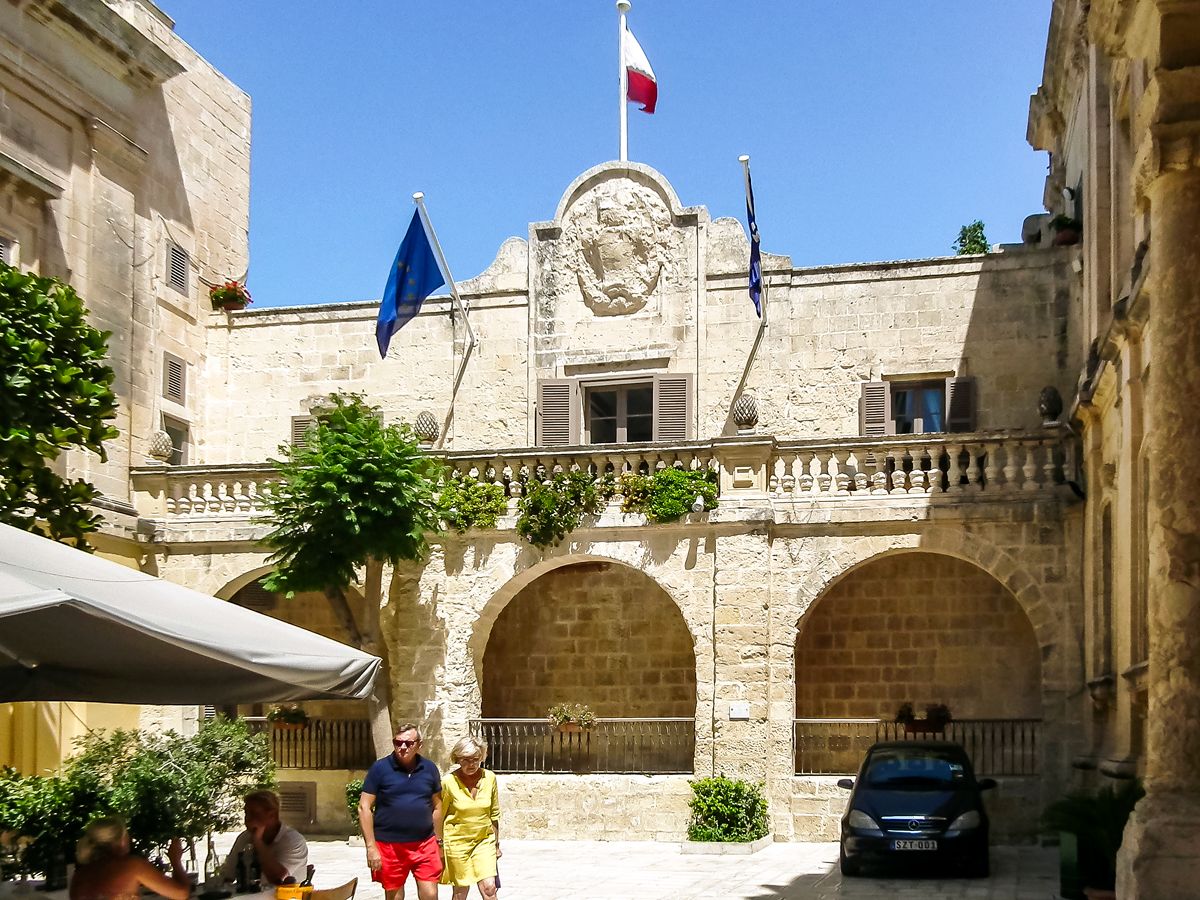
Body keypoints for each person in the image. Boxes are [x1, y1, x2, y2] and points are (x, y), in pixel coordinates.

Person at [358, 723, 443, 900]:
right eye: (398, 742)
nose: (402, 747)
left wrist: (439, 841)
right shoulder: (380, 769)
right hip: (390, 846)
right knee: (394, 896)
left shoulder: (429, 769)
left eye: (408, 743)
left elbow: (437, 806)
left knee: (431, 894)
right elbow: (364, 807)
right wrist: (371, 847)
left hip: (424, 844)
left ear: (419, 744)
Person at [438, 737, 501, 900]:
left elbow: (494, 814)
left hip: (484, 840)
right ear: (458, 759)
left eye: (476, 759)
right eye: (466, 760)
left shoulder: (490, 778)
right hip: (457, 842)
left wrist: (496, 845)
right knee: (460, 892)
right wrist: (438, 845)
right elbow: (439, 815)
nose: (471, 764)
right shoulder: (447, 782)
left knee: (489, 888)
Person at [68, 817, 189, 900]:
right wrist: (175, 860)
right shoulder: (131, 865)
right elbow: (181, 893)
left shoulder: (79, 875)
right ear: (121, 841)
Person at [219, 789, 308, 886]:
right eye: (246, 813)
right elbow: (228, 876)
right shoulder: (244, 838)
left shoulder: (293, 841)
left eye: (254, 814)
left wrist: (257, 841)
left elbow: (277, 878)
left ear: (272, 815)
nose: (247, 819)